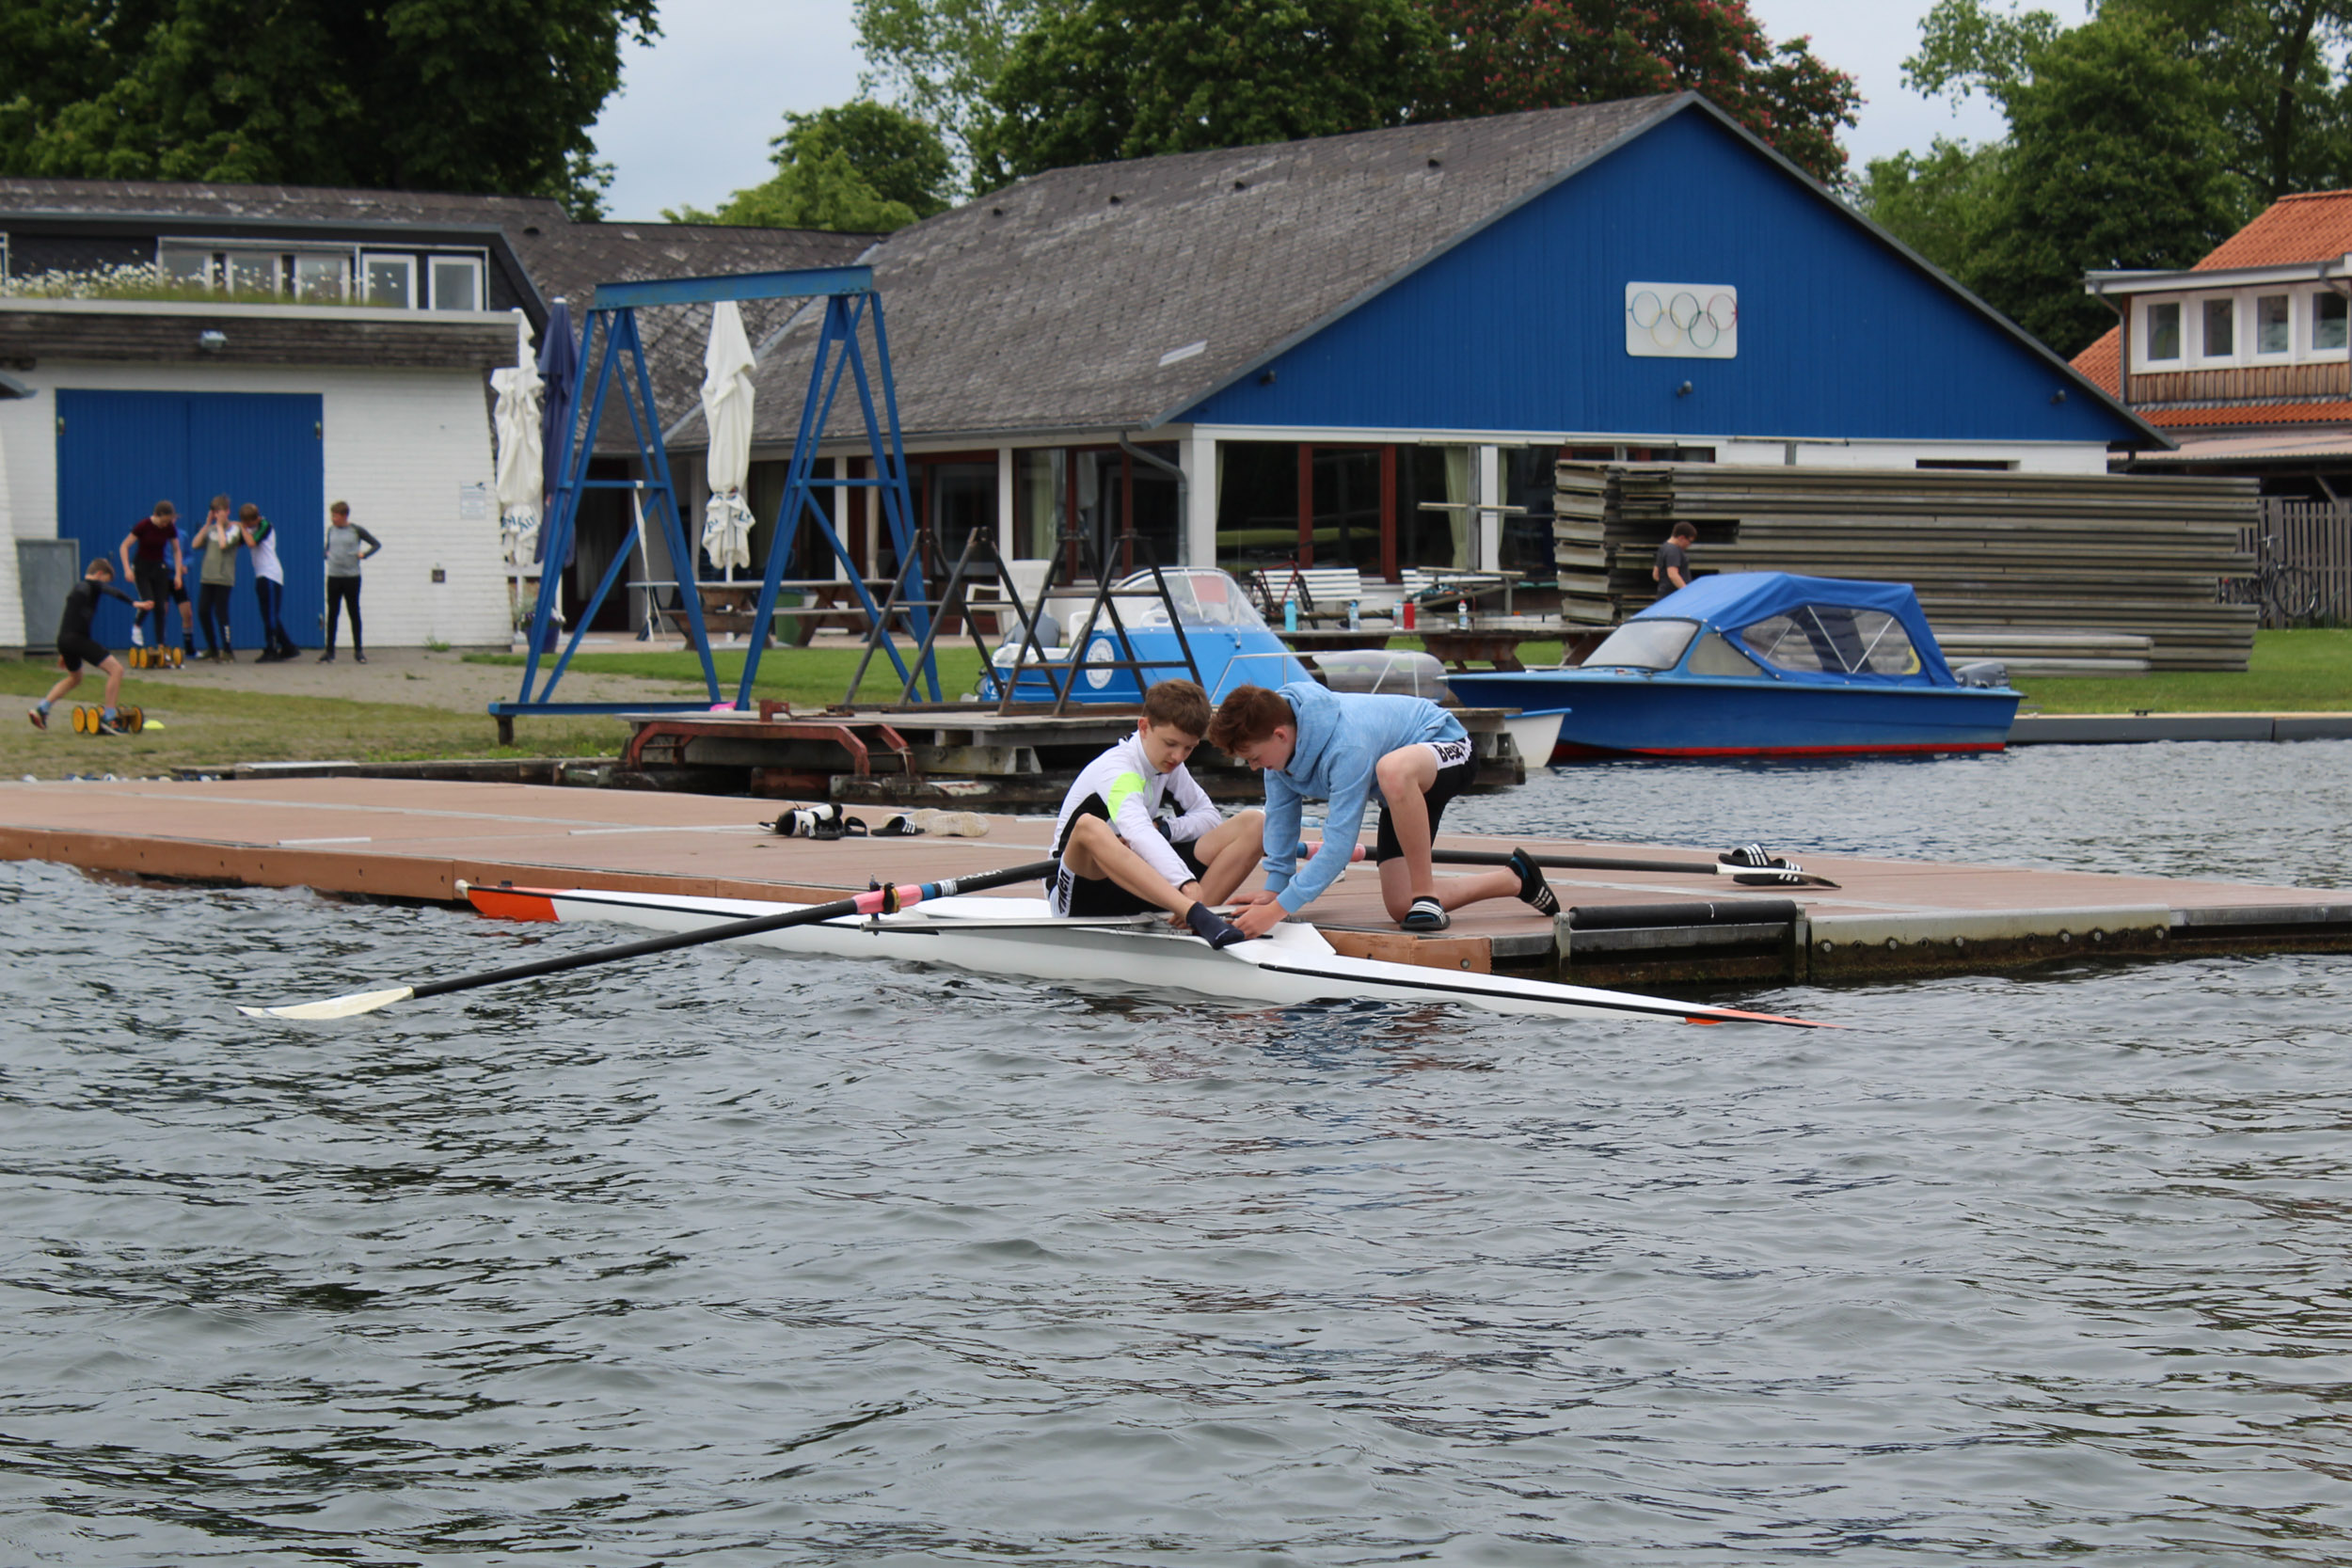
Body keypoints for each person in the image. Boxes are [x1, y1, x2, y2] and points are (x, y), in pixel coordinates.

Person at [1207, 681, 1559, 936]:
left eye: (1253, 757)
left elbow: (1338, 847)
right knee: (1399, 907)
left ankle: (1427, 897)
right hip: (1400, 787)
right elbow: (1282, 822)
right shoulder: (1277, 757)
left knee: (1391, 769)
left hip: (1447, 747)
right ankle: (1516, 879)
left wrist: (1280, 910)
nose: (1254, 768)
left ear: (1281, 736)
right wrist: (1274, 889)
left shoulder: (1347, 745)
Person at [1049, 679, 1263, 948]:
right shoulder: (1117, 770)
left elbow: (1209, 818)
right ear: (1144, 727)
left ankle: (1192, 922)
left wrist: (1166, 830)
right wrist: (1185, 882)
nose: (1178, 756)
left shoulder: (1167, 764)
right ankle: (1195, 912)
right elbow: (1137, 831)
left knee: (1255, 824)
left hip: (1143, 884)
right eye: (1171, 744)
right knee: (1089, 826)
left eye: (1189, 748)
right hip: (1081, 892)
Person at [28, 559, 152, 736]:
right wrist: (135, 603)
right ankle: (109, 718)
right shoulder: (93, 585)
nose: (104, 585)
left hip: (65, 638)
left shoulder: (76, 589)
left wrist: (65, 650)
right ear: (100, 574)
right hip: (77, 639)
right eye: (106, 580)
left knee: (75, 678)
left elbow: (71, 618)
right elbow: (112, 591)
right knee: (116, 670)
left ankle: (42, 708)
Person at [118, 499, 195, 664]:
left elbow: (176, 550)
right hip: (141, 568)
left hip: (159, 568)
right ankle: (137, 626)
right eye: (164, 520)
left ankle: (161, 647)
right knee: (149, 602)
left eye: (169, 521)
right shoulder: (144, 525)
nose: (166, 524)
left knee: (161, 607)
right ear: (157, 515)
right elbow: (124, 546)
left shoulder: (169, 528)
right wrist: (127, 569)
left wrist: (178, 575)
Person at [322, 500, 381, 663]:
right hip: (334, 576)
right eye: (332, 515)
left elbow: (376, 544)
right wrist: (326, 554)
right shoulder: (330, 530)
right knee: (332, 613)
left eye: (336, 516)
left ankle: (358, 651)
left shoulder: (356, 530)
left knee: (353, 612)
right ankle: (329, 652)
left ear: (344, 516)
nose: (333, 519)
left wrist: (364, 554)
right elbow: (328, 547)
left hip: (351, 577)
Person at [191, 496, 246, 660]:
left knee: (221, 612)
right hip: (207, 577)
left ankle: (227, 650)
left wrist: (221, 526)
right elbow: (195, 544)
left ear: (227, 511)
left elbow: (223, 544)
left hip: (223, 578)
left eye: (221, 511)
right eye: (215, 511)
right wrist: (208, 525)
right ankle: (212, 648)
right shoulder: (211, 529)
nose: (218, 514)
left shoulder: (235, 529)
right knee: (202, 611)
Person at [241, 503, 296, 661]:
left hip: (271, 574)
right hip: (260, 575)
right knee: (267, 614)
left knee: (271, 615)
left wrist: (242, 528)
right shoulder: (249, 528)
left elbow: (252, 543)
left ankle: (271, 649)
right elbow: (239, 541)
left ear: (255, 518)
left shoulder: (265, 525)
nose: (247, 525)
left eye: (249, 523)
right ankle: (288, 647)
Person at [1653, 521, 1697, 594]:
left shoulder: (1664, 547)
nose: (1689, 545)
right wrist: (1688, 592)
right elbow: (1673, 574)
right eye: (1689, 541)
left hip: (1663, 595)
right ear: (1681, 538)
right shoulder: (1673, 550)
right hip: (1675, 596)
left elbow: (1655, 575)